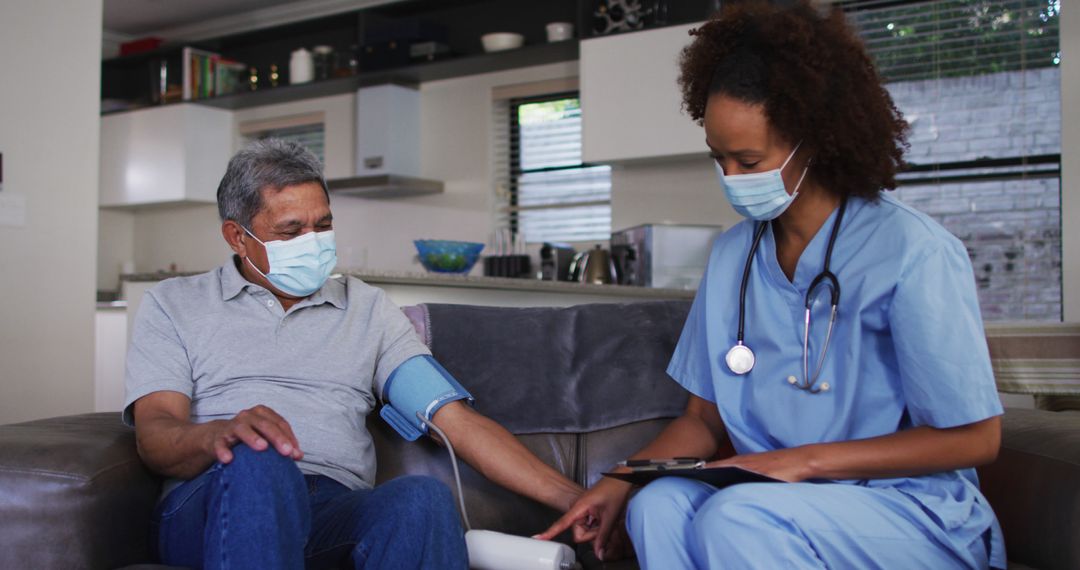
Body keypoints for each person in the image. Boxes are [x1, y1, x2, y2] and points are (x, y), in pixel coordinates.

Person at [539, 2, 1006, 568]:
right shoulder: (734, 254)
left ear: (815, 140)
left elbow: (977, 439)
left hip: (911, 511)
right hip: (778, 501)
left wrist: (802, 462)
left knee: (736, 515)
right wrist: (618, 480)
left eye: (749, 159)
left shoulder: (913, 252)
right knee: (657, 506)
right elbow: (702, 420)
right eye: (719, 158)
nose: (730, 179)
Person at [124, 139, 584, 569]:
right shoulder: (174, 304)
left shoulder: (366, 310)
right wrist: (219, 436)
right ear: (237, 237)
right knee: (258, 461)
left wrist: (576, 500)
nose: (314, 241)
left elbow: (454, 422)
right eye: (291, 230)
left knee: (420, 499)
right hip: (214, 498)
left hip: (330, 505)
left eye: (322, 225)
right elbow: (157, 436)